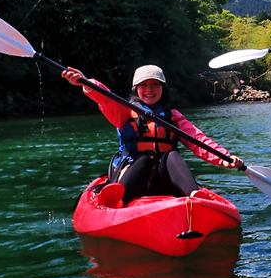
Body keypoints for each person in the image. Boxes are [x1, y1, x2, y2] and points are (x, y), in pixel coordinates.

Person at [62, 64, 244, 204]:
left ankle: (194, 196)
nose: (149, 90)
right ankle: (118, 201)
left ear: (163, 88)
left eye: (155, 85)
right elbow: (105, 98)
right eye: (144, 85)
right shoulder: (124, 112)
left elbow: (198, 140)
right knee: (143, 159)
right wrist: (87, 83)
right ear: (136, 89)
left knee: (172, 154)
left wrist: (224, 158)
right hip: (133, 177)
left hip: (163, 178)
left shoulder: (173, 116)